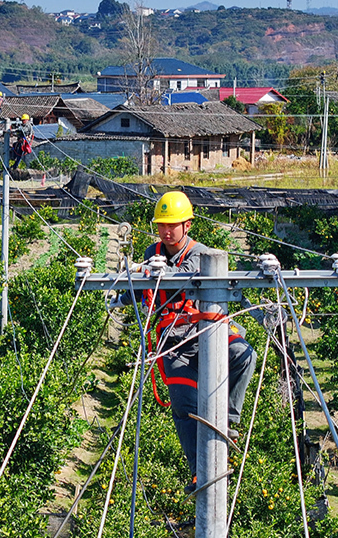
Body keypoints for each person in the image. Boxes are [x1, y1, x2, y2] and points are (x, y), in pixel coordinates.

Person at [111, 191, 257, 494]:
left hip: (207, 331)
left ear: (187, 225)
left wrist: (155, 271)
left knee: (243, 355)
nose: (166, 231)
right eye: (162, 225)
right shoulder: (154, 255)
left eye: (172, 225)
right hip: (174, 342)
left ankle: (228, 420)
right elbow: (138, 290)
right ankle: (198, 471)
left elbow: (189, 274)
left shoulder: (202, 255)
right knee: (182, 402)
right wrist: (119, 296)